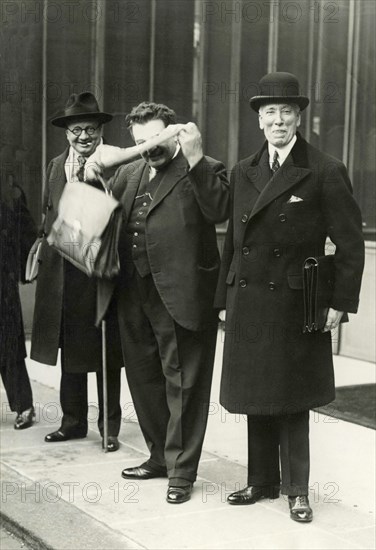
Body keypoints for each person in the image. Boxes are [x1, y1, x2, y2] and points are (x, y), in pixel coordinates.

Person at [215, 72, 364, 522]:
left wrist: (340, 303)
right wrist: (223, 298)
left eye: (285, 112)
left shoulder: (325, 169)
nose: (277, 121)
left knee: (293, 398)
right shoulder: (243, 170)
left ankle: (297, 490)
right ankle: (261, 481)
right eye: (269, 113)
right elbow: (233, 241)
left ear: (298, 118)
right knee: (255, 394)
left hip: (299, 302)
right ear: (259, 121)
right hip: (248, 299)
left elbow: (351, 244)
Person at [89, 101, 230, 503]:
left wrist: (197, 156)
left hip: (182, 295)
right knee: (144, 379)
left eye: (156, 138)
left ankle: (182, 472)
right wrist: (91, 177)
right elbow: (97, 218)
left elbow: (220, 210)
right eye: (139, 141)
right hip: (131, 293)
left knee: (183, 384)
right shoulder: (129, 172)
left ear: (174, 132)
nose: (148, 147)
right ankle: (158, 457)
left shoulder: (204, 166)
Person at [30, 92, 125, 452]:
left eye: (90, 129)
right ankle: (72, 422)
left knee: (105, 352)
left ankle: (109, 427)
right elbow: (47, 211)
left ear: (101, 130)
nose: (83, 137)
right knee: (68, 346)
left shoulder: (114, 161)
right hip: (61, 273)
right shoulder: (55, 166)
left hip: (99, 269)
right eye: (76, 131)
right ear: (65, 134)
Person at [1, 175, 36, 429]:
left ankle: (24, 405)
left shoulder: (9, 189)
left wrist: (23, 267)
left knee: (9, 344)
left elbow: (25, 231)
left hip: (2, 278)